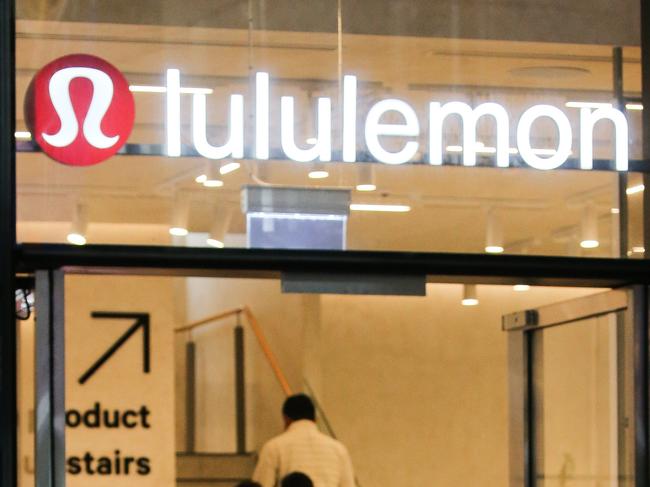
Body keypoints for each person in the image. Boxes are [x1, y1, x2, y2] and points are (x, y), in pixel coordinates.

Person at [252, 394, 355, 487]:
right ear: (315, 419)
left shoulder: (273, 446)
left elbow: (261, 484)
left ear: (286, 418)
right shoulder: (338, 449)